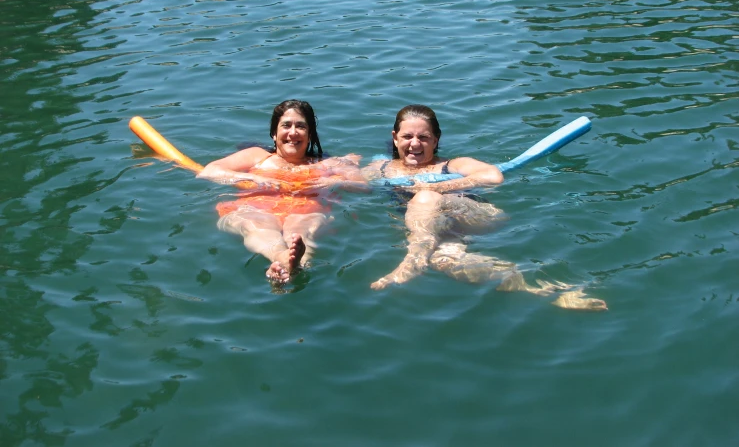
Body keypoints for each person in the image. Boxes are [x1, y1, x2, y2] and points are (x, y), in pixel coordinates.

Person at [363, 104, 607, 311]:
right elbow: (350, 182)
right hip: (436, 230)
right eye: (407, 136)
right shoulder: (383, 169)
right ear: (395, 137)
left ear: (436, 140)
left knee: (426, 198)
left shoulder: (452, 165)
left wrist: (438, 187)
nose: (415, 143)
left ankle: (413, 260)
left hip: (475, 217)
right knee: (444, 260)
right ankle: (545, 289)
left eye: (423, 137)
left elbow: (493, 176)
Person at [197, 100, 367, 284]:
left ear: (309, 135)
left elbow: (363, 186)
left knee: (300, 229)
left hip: (305, 213)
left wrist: (332, 181)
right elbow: (208, 172)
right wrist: (254, 178)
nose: (293, 132)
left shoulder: (329, 164)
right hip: (255, 211)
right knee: (255, 222)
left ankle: (290, 266)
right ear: (273, 133)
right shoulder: (257, 156)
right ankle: (284, 259)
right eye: (286, 125)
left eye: (300, 126)